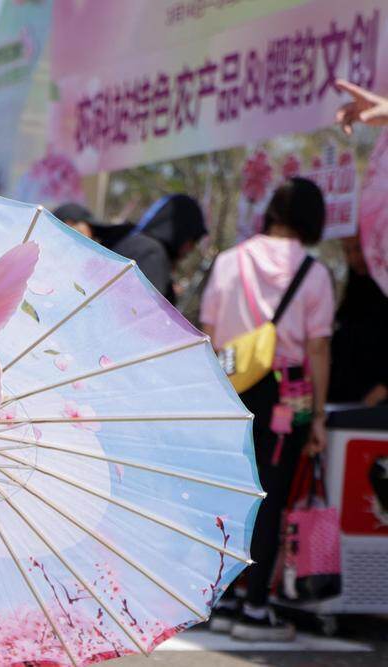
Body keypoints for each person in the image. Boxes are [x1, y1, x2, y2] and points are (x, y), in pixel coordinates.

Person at [199, 177, 334, 641]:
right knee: (269, 497)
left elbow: (209, 330)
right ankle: (255, 608)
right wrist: (318, 416)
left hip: (231, 385)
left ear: (272, 211)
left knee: (231, 492)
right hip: (287, 395)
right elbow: (318, 348)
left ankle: (222, 596)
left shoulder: (229, 260)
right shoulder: (314, 273)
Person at [54, 197, 207, 303]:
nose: (191, 248)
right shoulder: (151, 253)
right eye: (192, 240)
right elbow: (144, 315)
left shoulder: (138, 243)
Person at [329, 235, 388, 405]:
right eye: (347, 251)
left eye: (358, 248)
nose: (353, 258)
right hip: (347, 400)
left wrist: (385, 386)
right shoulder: (350, 293)